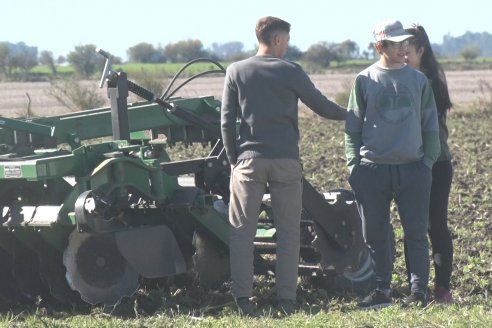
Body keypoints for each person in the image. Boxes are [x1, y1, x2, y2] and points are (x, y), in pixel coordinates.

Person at [221, 16, 346, 316]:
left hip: (248, 162)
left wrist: (233, 159)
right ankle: (286, 301)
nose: (288, 46)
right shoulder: (292, 72)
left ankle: (244, 301)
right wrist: (353, 115)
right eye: (287, 41)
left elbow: (226, 120)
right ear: (277, 40)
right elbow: (322, 107)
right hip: (287, 162)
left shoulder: (236, 71)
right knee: (288, 233)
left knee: (241, 234)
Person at [344, 19, 441, 309]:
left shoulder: (419, 81)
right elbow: (352, 128)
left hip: (413, 168)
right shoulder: (364, 80)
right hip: (372, 170)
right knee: (375, 234)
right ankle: (382, 290)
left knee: (415, 232)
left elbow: (430, 125)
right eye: (396, 43)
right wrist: (354, 166)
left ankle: (418, 292)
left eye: (405, 43)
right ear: (380, 46)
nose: (403, 48)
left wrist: (427, 162)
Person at [404, 24, 454, 303]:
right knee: (413, 227)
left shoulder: (430, 82)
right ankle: (417, 288)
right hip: (410, 163)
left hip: (437, 163)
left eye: (407, 51)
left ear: (421, 51)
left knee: (436, 225)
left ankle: (442, 288)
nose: (402, 56)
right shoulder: (405, 79)